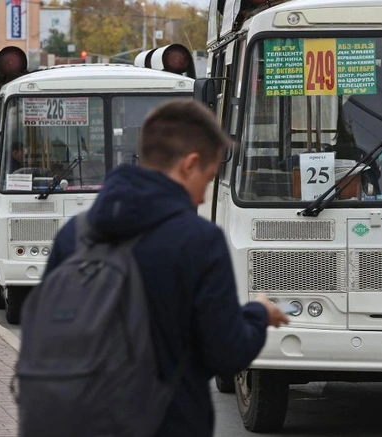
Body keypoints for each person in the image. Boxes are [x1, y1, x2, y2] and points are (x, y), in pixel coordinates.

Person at [43, 99, 289, 436]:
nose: (204, 197)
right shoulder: (199, 240)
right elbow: (226, 356)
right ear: (189, 165)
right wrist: (259, 315)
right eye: (208, 177)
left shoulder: (75, 234)